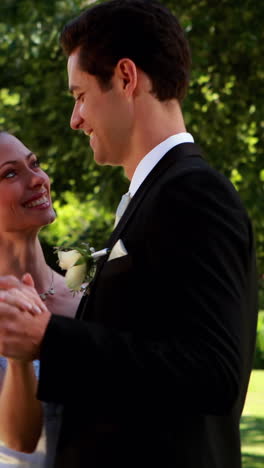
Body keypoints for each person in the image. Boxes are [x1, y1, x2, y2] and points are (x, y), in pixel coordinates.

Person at [0, 1, 258, 467]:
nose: (75, 119)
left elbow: (214, 374)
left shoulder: (192, 193)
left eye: (79, 95)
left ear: (125, 77)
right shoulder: (157, 196)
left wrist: (50, 339)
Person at [0, 131, 81, 467]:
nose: (38, 180)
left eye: (34, 164)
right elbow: (19, 440)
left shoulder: (87, 294)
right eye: (10, 173)